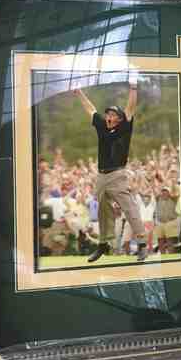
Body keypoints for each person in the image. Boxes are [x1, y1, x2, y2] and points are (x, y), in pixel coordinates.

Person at [73, 77, 149, 262]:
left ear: (119, 119)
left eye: (113, 114)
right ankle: (104, 244)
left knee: (129, 208)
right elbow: (90, 109)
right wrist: (78, 92)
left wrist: (133, 88)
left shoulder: (124, 127)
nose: (109, 116)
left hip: (117, 174)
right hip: (101, 176)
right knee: (103, 211)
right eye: (108, 113)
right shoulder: (102, 126)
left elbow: (130, 108)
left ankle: (142, 244)